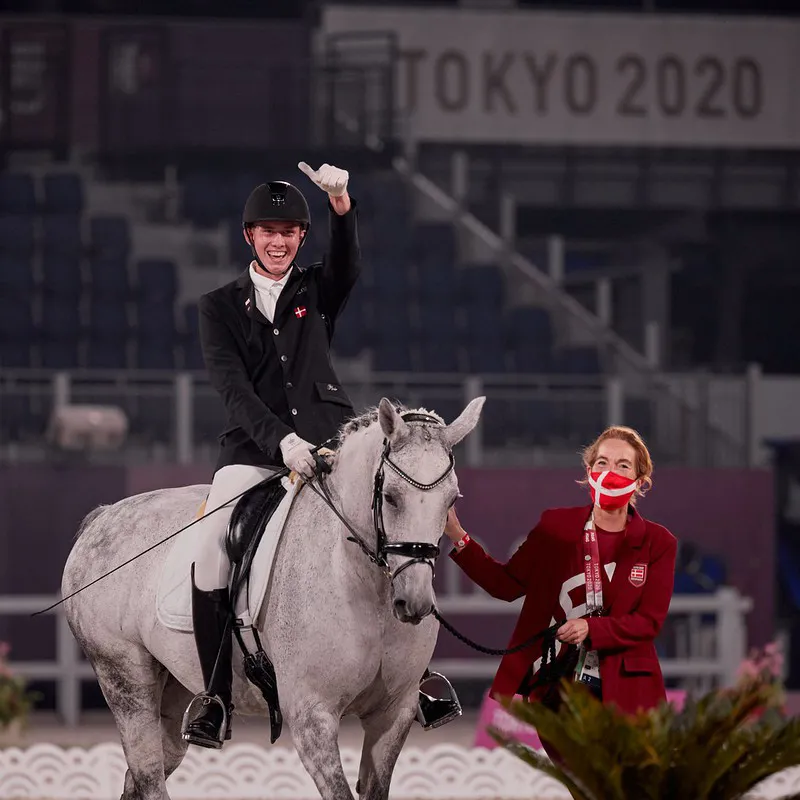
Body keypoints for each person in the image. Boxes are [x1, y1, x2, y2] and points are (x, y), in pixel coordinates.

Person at [185, 162, 460, 750]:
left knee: (395, 520)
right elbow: (232, 388)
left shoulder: (315, 289)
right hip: (253, 452)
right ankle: (213, 694)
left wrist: (341, 205)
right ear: (249, 237)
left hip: (331, 443)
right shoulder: (218, 307)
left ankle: (412, 676)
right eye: (268, 230)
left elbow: (348, 266)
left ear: (300, 238)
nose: (278, 240)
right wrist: (279, 441)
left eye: (289, 231)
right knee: (212, 548)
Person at [445, 426, 677, 760]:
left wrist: (591, 628)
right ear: (588, 471)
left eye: (623, 465)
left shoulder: (659, 542)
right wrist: (458, 536)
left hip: (630, 693)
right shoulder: (556, 528)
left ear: (641, 480)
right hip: (560, 689)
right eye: (602, 462)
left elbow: (647, 623)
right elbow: (505, 585)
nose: (610, 472)